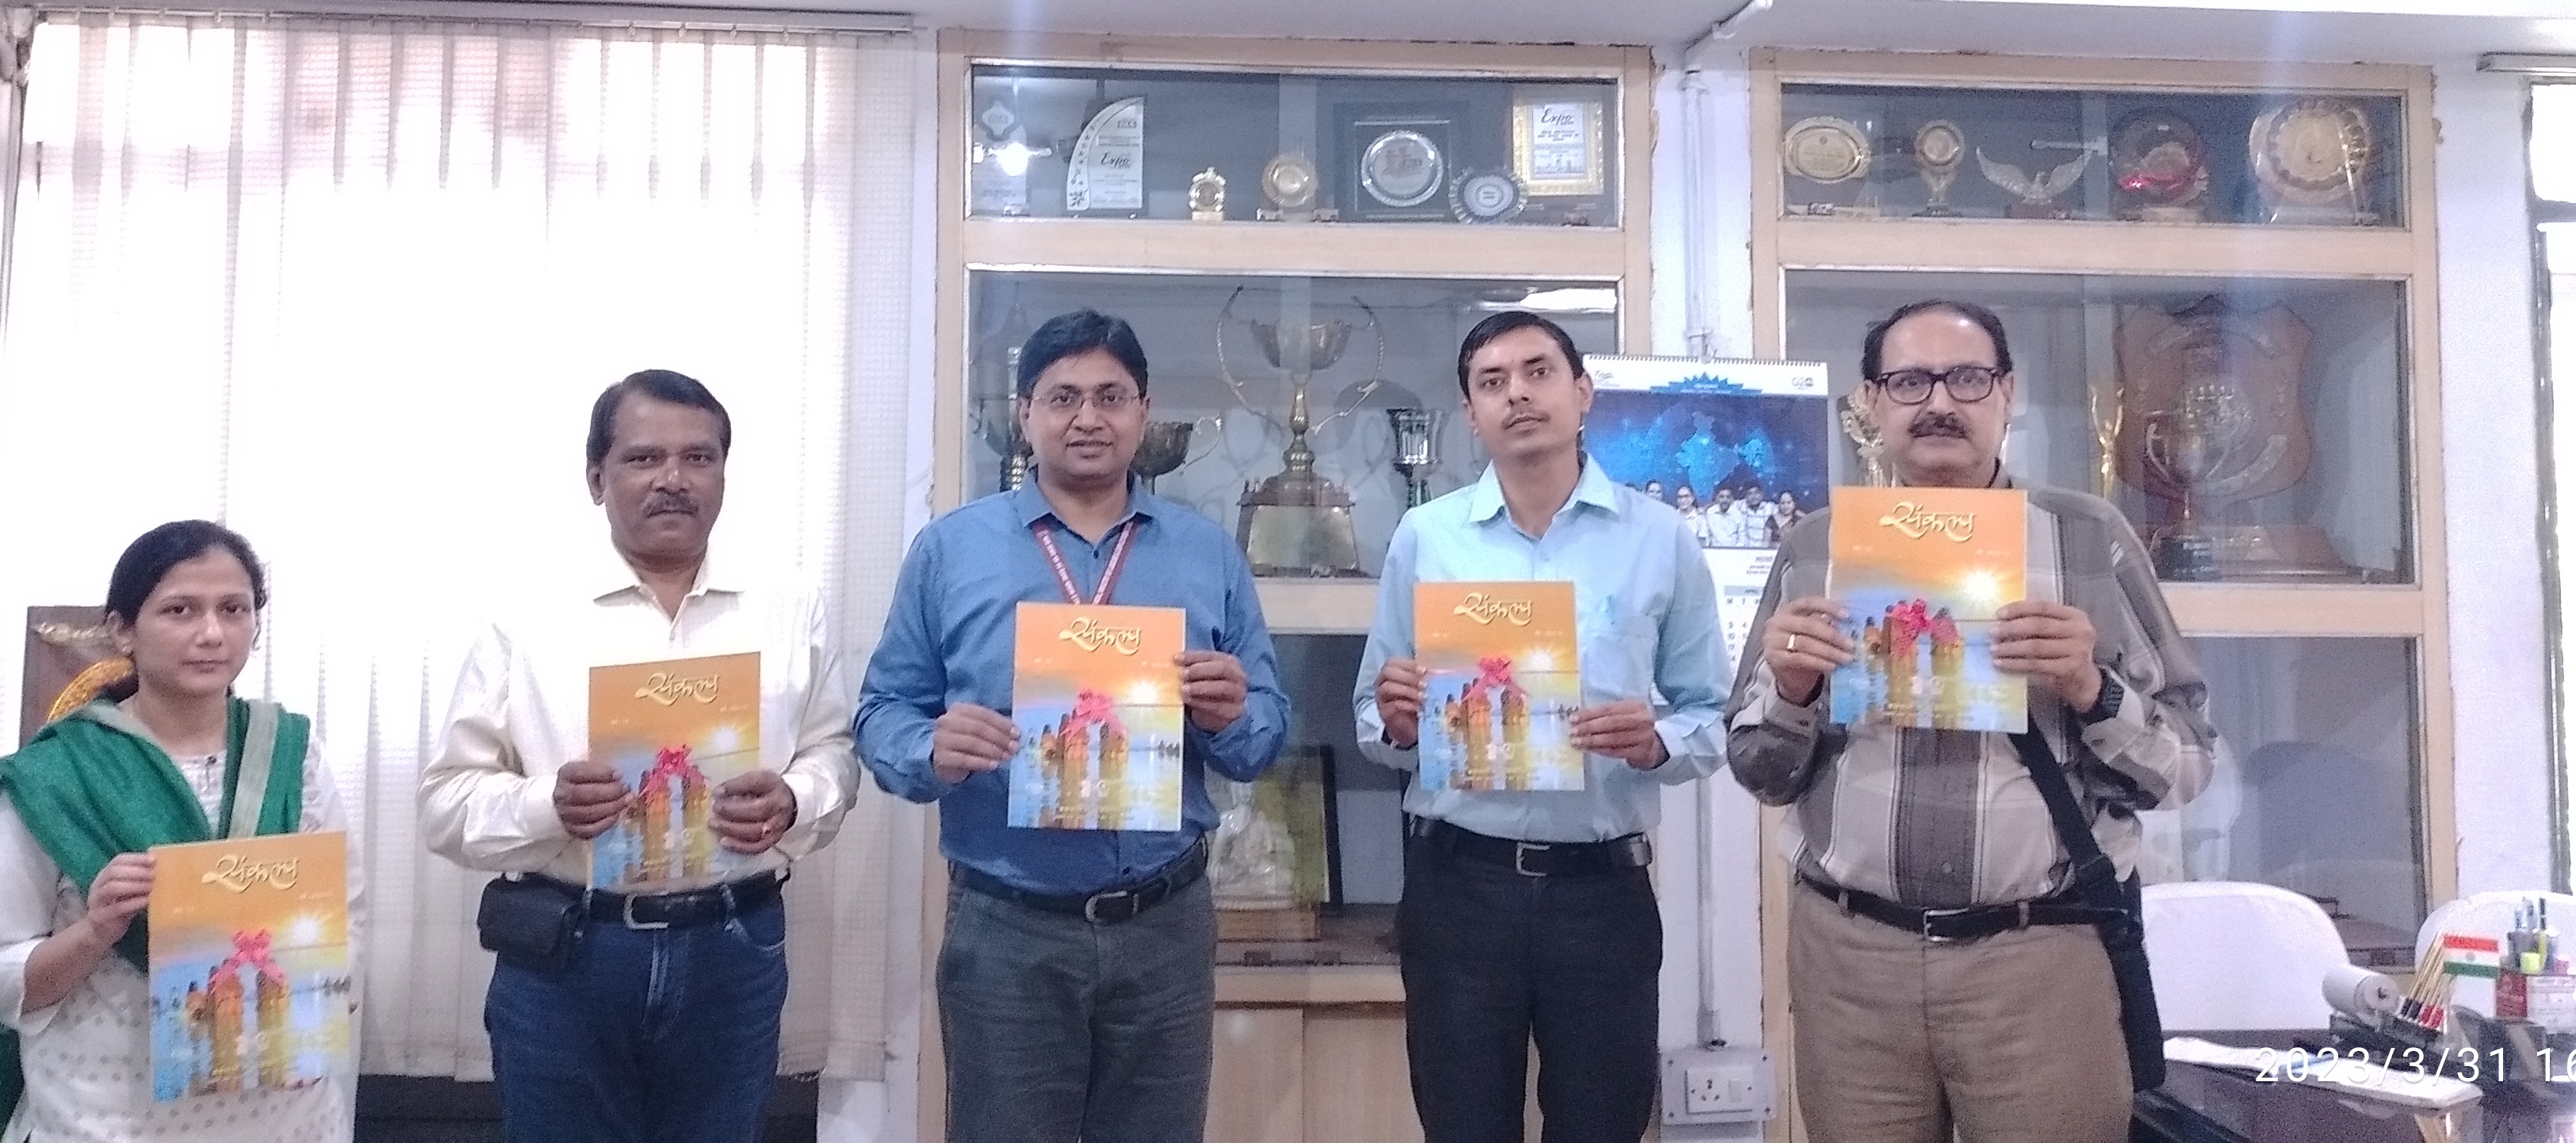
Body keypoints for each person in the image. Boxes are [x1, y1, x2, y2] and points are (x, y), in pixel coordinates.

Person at [1729, 300, 2214, 1143]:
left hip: (2038, 957)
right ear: (1871, 403)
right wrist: (1794, 693)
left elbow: (2187, 766)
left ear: (2007, 393)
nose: (1938, 403)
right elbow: (1759, 769)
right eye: (1908, 382)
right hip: (1852, 960)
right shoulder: (1817, 547)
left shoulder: (2086, 539)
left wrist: (2089, 688)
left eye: (1966, 378)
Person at [855, 309, 1291, 1143]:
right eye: (1062, 398)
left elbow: (1264, 730)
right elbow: (883, 713)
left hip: (1165, 924)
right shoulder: (950, 551)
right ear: (1025, 414)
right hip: (1008, 928)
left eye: (1110, 397)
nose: (1087, 417)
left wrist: (1233, 715)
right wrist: (927, 747)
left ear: (1143, 412)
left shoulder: (1206, 553)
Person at [420, 369, 859, 1143]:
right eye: (644, 458)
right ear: (597, 478)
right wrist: (546, 805)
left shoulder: (789, 605)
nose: (673, 479)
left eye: (699, 458)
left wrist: (796, 799)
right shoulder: (526, 615)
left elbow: (834, 754)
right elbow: (445, 804)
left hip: (734, 944)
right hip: (571, 951)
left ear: (724, 473)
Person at [1358, 312, 1729, 1143]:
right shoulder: (1427, 537)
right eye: (1492, 383)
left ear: (1583, 392)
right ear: (1471, 414)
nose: (1517, 394)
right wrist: (1401, 724)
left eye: (1538, 372)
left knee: (1603, 1125)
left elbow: (1713, 713)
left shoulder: (1659, 538)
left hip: (1602, 894)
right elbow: (1372, 716)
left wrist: (1658, 740)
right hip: (1460, 886)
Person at [0, 519, 363, 1143]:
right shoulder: (60, 776)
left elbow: (345, 923)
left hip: (289, 1121)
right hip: (107, 1120)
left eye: (234, 609)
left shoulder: (293, 759)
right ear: (122, 630)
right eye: (180, 610)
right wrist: (93, 932)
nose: (211, 633)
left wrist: (315, 998)